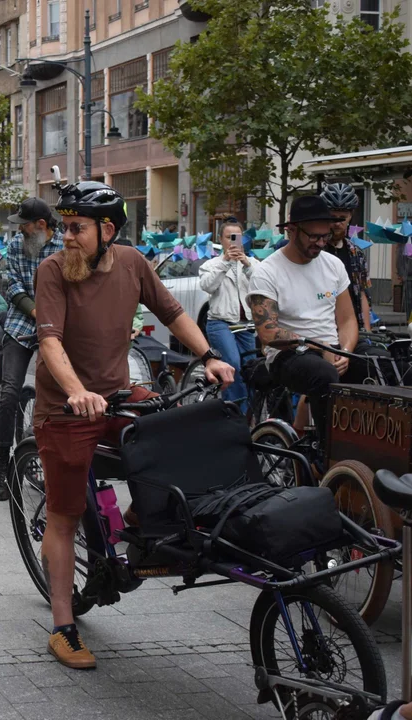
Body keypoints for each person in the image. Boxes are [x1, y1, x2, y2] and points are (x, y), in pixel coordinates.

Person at [33, 181, 234, 670]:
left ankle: (144, 532)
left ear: (107, 230)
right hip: (66, 408)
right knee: (63, 513)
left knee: (173, 435)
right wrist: (76, 391)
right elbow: (50, 342)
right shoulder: (53, 270)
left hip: (119, 396)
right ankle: (63, 625)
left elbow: (172, 311)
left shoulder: (132, 262)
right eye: (64, 227)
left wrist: (208, 355)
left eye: (76, 228)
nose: (67, 237)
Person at [247, 194, 363, 450]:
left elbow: (346, 319)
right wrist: (319, 347)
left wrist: (345, 351)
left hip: (331, 349)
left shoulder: (333, 265)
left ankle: (371, 446)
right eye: (313, 236)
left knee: (379, 362)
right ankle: (327, 453)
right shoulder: (267, 272)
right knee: (323, 374)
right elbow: (268, 333)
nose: (321, 243)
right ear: (291, 230)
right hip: (288, 354)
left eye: (325, 236)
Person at [0, 198, 64, 501]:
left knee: (62, 394)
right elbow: (15, 286)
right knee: (8, 394)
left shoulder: (65, 245)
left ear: (42, 226)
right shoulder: (18, 246)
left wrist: (51, 319)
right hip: (24, 320)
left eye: (25, 225)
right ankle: (3, 468)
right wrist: (36, 313)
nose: (20, 231)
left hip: (59, 322)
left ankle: (53, 465)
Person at [198, 218, 260, 409]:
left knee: (251, 369)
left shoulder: (251, 262)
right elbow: (207, 285)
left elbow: (262, 284)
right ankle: (234, 412)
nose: (233, 241)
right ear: (221, 240)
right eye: (229, 237)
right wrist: (225, 262)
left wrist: (247, 264)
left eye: (237, 237)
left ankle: (248, 412)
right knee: (232, 364)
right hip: (220, 322)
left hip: (246, 324)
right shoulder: (212, 264)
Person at [319, 183, 373, 332]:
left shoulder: (356, 253)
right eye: (332, 218)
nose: (337, 223)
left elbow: (362, 294)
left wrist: (367, 332)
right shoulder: (314, 250)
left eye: (342, 218)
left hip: (351, 328)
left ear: (350, 216)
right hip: (322, 328)